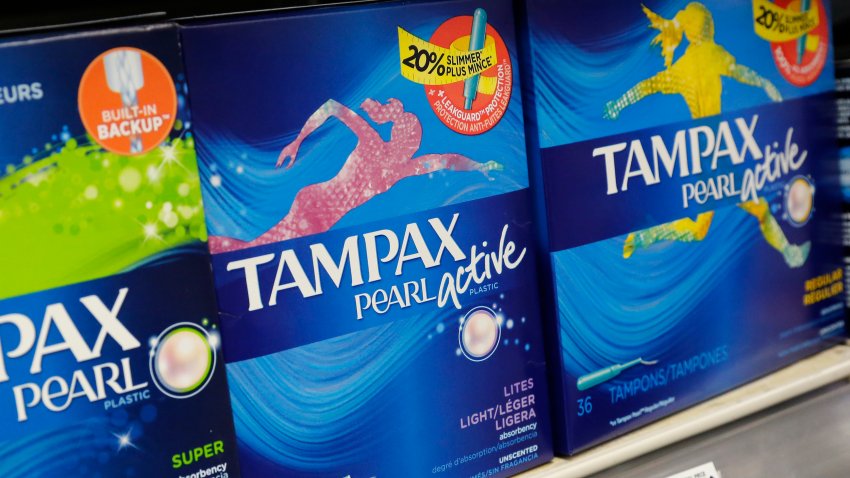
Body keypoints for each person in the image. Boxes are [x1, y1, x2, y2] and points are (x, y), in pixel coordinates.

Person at [605, 2, 808, 267]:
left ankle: (644, 236)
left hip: (705, 152)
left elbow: (648, 86)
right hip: (715, 153)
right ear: (707, 27)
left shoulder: (685, 65)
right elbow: (740, 72)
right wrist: (765, 83)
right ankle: (645, 236)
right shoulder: (712, 55)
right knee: (744, 214)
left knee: (709, 226)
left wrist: (618, 104)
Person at [209, 98, 500, 254]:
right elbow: (332, 106)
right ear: (397, 138)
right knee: (255, 253)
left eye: (414, 146)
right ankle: (199, 257)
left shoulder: (405, 167)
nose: (411, 149)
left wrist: (479, 166)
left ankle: (203, 253)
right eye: (409, 143)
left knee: (255, 250)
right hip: (315, 209)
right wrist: (297, 141)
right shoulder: (374, 142)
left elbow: (446, 161)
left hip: (318, 214)